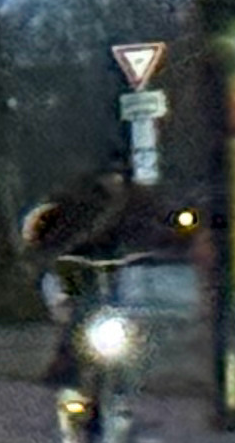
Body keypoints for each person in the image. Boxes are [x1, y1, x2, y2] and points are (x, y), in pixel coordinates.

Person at [21, 158, 169, 395]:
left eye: (118, 176)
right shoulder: (78, 200)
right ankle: (67, 368)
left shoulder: (138, 201)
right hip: (82, 265)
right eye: (109, 176)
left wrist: (158, 244)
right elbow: (52, 229)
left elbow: (156, 227)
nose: (114, 182)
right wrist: (53, 253)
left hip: (119, 265)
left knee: (134, 316)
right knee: (83, 311)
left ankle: (131, 371)